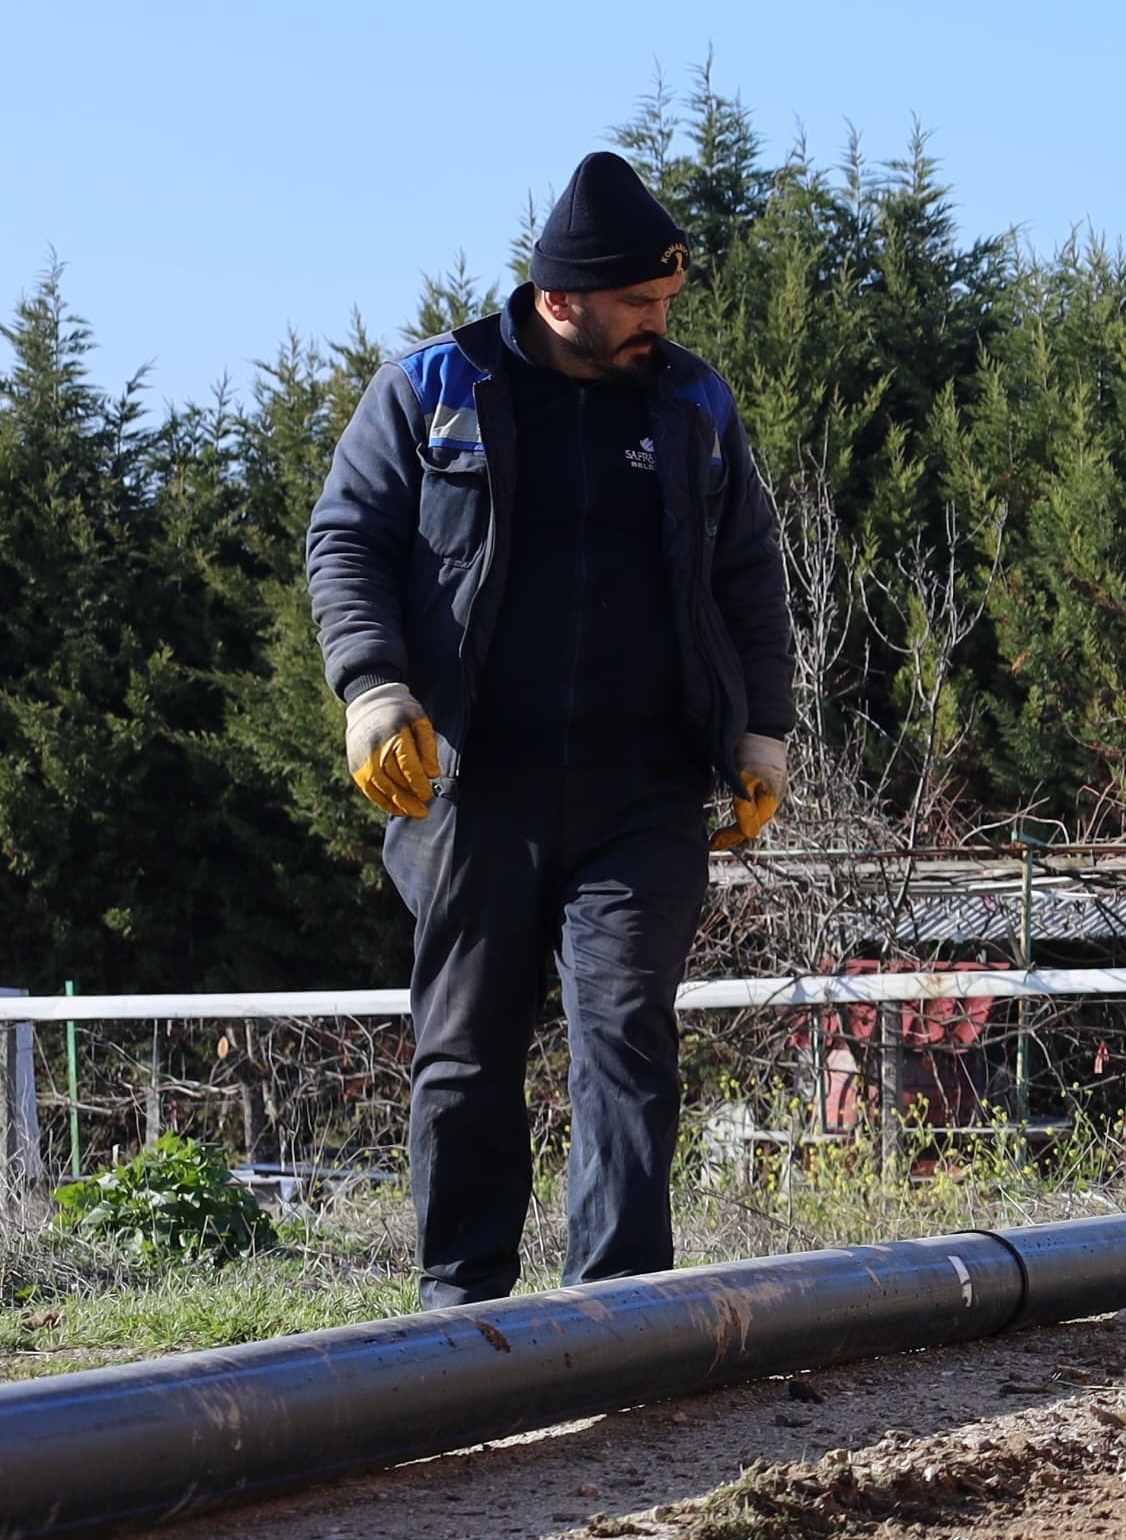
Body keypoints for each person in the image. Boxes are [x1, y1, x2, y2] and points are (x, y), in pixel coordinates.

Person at [305, 151, 793, 1304]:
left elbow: (750, 573)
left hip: (645, 791)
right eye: (639, 303)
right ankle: (460, 1311)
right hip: (474, 789)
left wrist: (761, 731)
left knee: (626, 1037)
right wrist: (374, 687)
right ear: (560, 297)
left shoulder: (694, 403)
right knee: (464, 1055)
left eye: (667, 303)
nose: (658, 323)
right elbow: (347, 543)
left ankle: (618, 1315)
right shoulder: (430, 387)